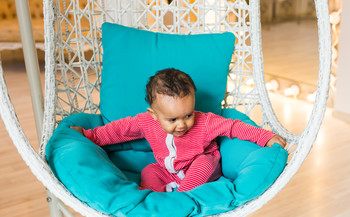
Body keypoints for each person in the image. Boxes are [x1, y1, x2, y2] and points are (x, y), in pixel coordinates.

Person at [71, 68, 286, 192]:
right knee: (149, 171)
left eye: (188, 115)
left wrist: (265, 137)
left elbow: (234, 127)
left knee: (203, 163)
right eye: (172, 119)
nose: (182, 124)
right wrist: (90, 136)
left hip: (201, 163)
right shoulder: (147, 122)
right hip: (168, 170)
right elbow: (120, 130)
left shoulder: (205, 122)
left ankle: (181, 200)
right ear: (154, 114)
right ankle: (155, 201)